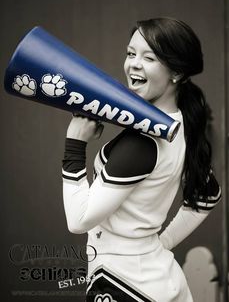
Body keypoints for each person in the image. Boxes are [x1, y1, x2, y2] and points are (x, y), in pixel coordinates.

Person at [62, 17, 221, 302]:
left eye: (149, 57)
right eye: (130, 53)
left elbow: (78, 220)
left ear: (176, 73)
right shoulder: (182, 122)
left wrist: (75, 144)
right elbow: (207, 194)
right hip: (158, 277)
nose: (133, 64)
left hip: (124, 284)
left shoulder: (143, 142)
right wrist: (157, 245)